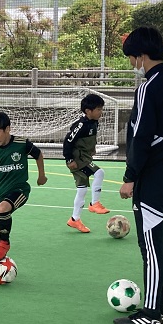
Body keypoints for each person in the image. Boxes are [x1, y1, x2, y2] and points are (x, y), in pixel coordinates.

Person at [116, 26, 163, 324]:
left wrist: (130, 175)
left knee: (150, 245)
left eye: (132, 56)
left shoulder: (150, 85)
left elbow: (142, 134)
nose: (132, 62)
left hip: (154, 174)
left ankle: (150, 312)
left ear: (143, 54)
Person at [0, 110, 47, 278]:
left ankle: (4, 242)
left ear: (7, 129)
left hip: (20, 190)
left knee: (3, 207)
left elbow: (38, 154)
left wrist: (41, 175)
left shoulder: (21, 143)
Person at [63, 93, 110, 233]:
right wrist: (69, 159)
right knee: (99, 172)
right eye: (99, 109)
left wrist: (92, 148)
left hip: (85, 157)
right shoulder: (81, 125)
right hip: (78, 159)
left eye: (101, 109)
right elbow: (68, 141)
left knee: (82, 189)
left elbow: (91, 138)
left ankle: (74, 219)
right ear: (88, 111)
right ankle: (94, 204)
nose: (101, 112)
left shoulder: (94, 122)